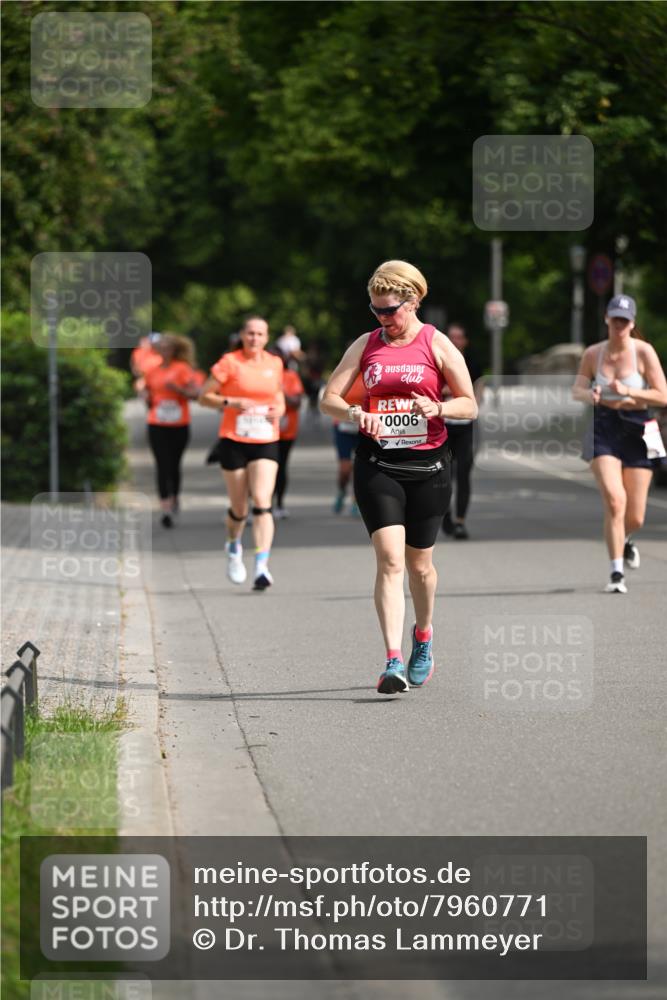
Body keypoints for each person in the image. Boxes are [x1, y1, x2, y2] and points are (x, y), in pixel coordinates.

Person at [320, 260, 477, 694]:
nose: (383, 319)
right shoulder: (367, 344)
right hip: (378, 463)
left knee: (419, 566)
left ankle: (422, 636)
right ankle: (392, 662)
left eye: (390, 310)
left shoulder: (437, 344)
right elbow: (328, 397)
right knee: (389, 561)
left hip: (428, 466)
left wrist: (439, 408)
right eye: (376, 311)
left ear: (413, 302)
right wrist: (353, 412)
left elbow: (470, 404)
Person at [572, 294, 667, 593]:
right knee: (615, 501)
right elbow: (577, 389)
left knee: (635, 515)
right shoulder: (593, 354)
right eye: (615, 319)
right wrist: (591, 395)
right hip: (604, 427)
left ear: (632, 322)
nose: (620, 326)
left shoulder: (644, 352)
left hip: (639, 427)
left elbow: (663, 396)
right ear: (607, 320)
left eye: (625, 321)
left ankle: (625, 539)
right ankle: (616, 574)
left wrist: (629, 391)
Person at [199, 316, 285, 591]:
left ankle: (261, 565)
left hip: (265, 437)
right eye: (250, 333)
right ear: (242, 335)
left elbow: (278, 394)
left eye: (260, 334)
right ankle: (234, 545)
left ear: (267, 337)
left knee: (262, 501)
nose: (254, 338)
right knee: (240, 508)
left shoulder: (274, 363)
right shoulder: (229, 362)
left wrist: (279, 410)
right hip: (234, 439)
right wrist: (232, 402)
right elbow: (204, 396)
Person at [144, 334, 200, 528]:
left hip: (179, 424)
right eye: (161, 347)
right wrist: (146, 396)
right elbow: (148, 393)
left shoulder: (183, 369)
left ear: (174, 350)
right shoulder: (152, 371)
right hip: (157, 423)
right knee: (161, 464)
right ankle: (165, 508)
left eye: (168, 347)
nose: (164, 350)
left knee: (174, 465)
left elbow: (195, 395)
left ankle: (175, 496)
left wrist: (177, 389)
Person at [440, 323, 485, 539]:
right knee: (443, 475)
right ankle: (445, 513)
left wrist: (456, 393)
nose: (455, 341)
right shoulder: (437, 362)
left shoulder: (473, 365)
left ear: (465, 341)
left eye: (459, 337)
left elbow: (477, 396)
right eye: (452, 337)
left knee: (464, 473)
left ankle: (460, 522)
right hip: (442, 426)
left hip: (466, 426)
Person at [273, 351, 305, 518]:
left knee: (280, 466)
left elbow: (296, 402)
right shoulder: (258, 374)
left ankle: (279, 504)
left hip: (286, 431)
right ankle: (259, 505)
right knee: (261, 468)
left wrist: (278, 390)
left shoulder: (290, 376)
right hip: (262, 431)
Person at [332, 370, 364, 515]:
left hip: (363, 428)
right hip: (343, 428)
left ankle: (356, 501)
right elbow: (331, 399)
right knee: (345, 469)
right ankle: (342, 490)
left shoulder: (372, 374)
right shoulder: (343, 375)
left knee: (359, 467)